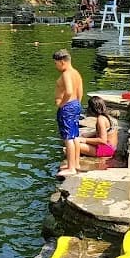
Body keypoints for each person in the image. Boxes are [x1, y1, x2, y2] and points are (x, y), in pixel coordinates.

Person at [53, 50, 83, 178]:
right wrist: (77, 104)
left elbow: (69, 91)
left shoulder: (66, 74)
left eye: (56, 63)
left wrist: (62, 104)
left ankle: (71, 168)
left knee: (68, 137)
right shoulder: (76, 73)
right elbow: (80, 90)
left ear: (62, 62)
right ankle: (75, 163)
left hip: (68, 107)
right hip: (75, 104)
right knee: (74, 135)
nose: (56, 66)